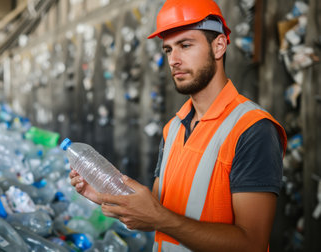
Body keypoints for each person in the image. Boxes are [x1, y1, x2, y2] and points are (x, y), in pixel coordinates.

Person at [69, 0, 287, 251]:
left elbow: (252, 244)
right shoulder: (173, 128)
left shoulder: (253, 128)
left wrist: (159, 218)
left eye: (185, 45)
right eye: (168, 50)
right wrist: (106, 195)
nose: (174, 59)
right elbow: (156, 210)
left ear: (219, 46)